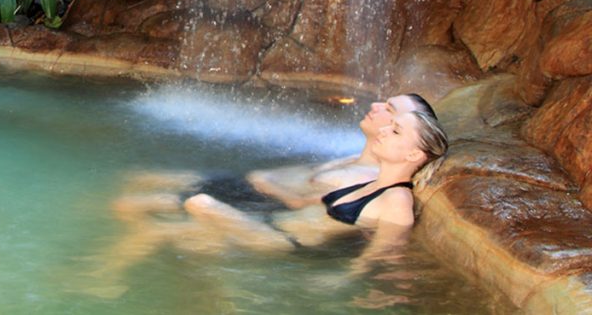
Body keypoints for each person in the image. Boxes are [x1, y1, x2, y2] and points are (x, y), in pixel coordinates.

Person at [80, 98, 448, 296]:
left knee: (199, 204)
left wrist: (344, 278)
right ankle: (102, 278)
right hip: (267, 223)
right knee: (160, 230)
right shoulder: (368, 182)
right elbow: (308, 204)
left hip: (284, 241)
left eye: (396, 130)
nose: (385, 130)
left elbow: (387, 248)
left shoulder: (396, 199)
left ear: (414, 155)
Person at [112, 93, 438, 221]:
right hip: (250, 191)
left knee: (140, 205)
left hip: (262, 206)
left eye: (393, 116)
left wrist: (266, 186)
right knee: (135, 187)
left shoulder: (374, 180)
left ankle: (108, 274)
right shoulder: (351, 158)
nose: (378, 107)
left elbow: (308, 208)